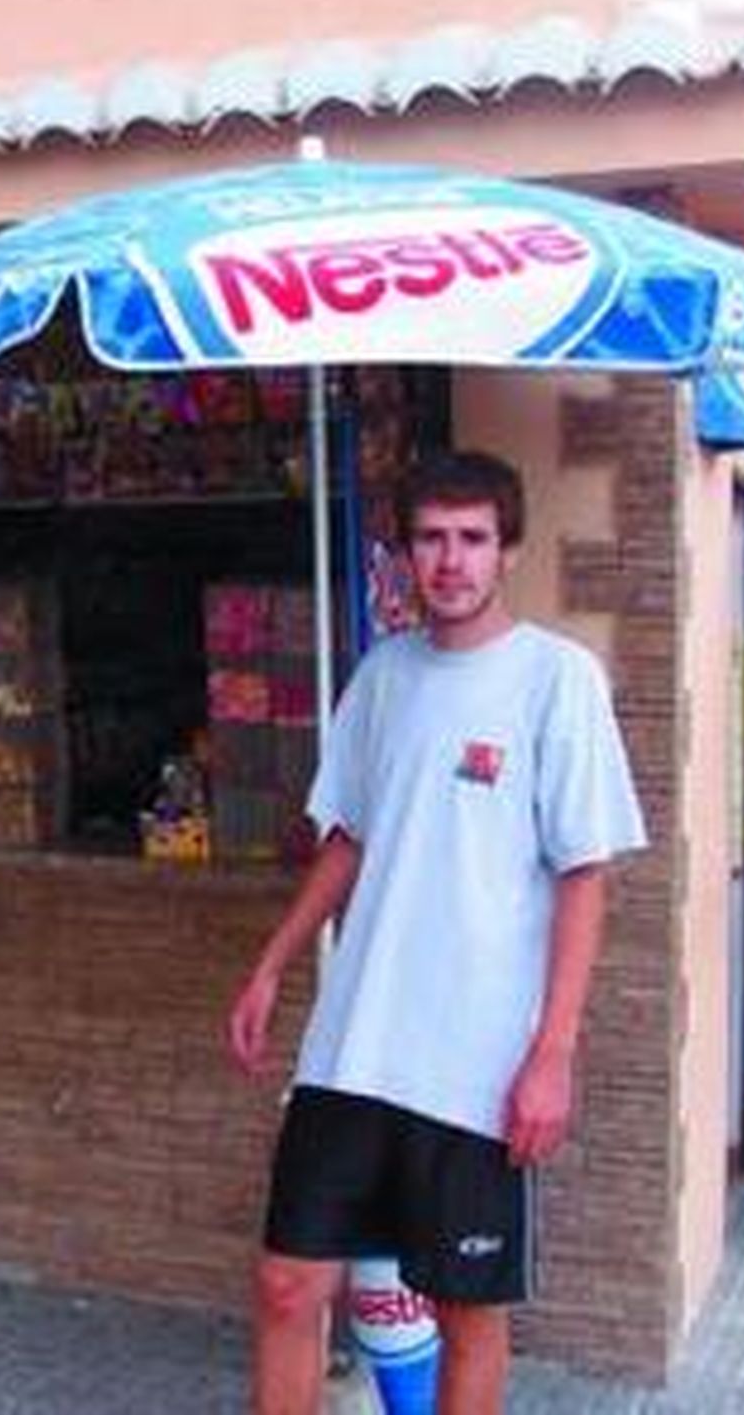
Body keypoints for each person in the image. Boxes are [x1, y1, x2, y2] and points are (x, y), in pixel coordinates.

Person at [226, 449, 646, 1415]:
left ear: (506, 551)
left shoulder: (557, 680)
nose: (450, 560)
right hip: (351, 1051)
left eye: (471, 538)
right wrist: (270, 968)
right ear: (405, 554)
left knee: (466, 1315)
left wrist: (555, 1052)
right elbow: (349, 836)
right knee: (288, 1285)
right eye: (430, 539)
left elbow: (587, 874)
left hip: (474, 1067)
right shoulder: (383, 674)